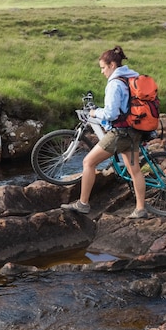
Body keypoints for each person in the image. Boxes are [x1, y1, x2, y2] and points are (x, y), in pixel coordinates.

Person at [61, 46, 148, 219]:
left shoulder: (115, 83)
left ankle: (83, 203)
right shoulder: (132, 77)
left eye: (103, 67)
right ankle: (140, 209)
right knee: (135, 171)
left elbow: (111, 114)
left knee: (88, 162)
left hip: (120, 133)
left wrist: (95, 112)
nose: (102, 72)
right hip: (135, 129)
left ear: (112, 65)